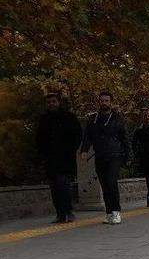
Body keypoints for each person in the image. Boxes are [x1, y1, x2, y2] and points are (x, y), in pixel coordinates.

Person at [80, 90, 130, 225]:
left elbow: (125, 138)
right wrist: (84, 150)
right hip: (100, 156)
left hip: (114, 155)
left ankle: (116, 211)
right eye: (102, 101)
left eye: (106, 101)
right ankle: (109, 213)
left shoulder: (117, 118)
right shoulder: (93, 119)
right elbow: (87, 136)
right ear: (99, 102)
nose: (104, 103)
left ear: (111, 102)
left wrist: (128, 156)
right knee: (104, 185)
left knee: (111, 182)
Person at [36, 91, 82, 223]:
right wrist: (42, 154)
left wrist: (71, 149)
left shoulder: (69, 117)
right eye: (49, 102)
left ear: (59, 102)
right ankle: (60, 213)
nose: (51, 104)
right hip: (50, 159)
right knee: (54, 188)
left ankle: (69, 211)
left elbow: (77, 135)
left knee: (64, 185)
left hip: (65, 158)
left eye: (53, 101)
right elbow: (39, 139)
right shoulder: (44, 119)